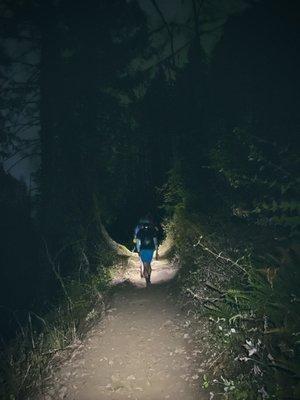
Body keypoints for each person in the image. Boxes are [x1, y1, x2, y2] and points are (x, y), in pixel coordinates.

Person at [133, 216, 158, 286]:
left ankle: (147, 281)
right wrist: (156, 250)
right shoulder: (153, 230)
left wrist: (138, 250)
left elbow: (138, 242)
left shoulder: (139, 232)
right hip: (151, 249)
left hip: (143, 249)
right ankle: (149, 279)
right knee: (148, 264)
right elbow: (155, 241)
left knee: (145, 264)